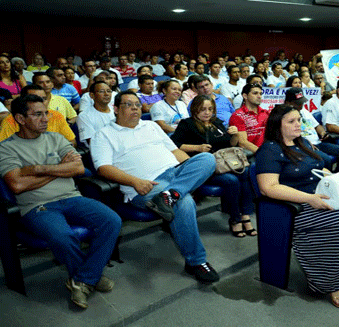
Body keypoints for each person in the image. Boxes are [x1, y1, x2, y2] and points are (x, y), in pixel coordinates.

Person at [256, 104, 339, 310]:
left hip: (320, 196)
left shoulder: (303, 142)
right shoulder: (269, 150)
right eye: (291, 121)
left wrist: (337, 179)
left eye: (299, 119)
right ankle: (336, 283)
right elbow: (268, 188)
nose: (298, 124)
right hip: (296, 207)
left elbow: (319, 167)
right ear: (277, 126)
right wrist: (309, 198)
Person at [0, 94, 121, 309]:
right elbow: (17, 185)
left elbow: (77, 168)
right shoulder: (6, 148)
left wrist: (38, 169)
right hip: (38, 207)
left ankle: (83, 278)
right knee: (63, 237)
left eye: (46, 113)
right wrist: (59, 170)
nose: (46, 118)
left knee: (112, 220)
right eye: (38, 114)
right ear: (19, 118)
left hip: (71, 198)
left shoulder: (56, 138)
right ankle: (89, 277)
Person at [89, 91, 220, 283]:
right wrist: (134, 182)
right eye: (128, 104)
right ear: (116, 109)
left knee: (208, 159)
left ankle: (172, 194)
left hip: (174, 172)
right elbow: (103, 168)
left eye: (137, 104)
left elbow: (175, 151)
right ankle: (196, 261)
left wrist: (188, 171)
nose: (135, 108)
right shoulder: (103, 134)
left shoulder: (150, 126)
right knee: (183, 203)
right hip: (146, 184)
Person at [170, 95, 256, 237]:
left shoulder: (216, 123)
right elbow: (174, 145)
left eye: (210, 109)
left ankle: (245, 215)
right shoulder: (186, 124)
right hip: (203, 169)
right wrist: (197, 148)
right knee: (231, 180)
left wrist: (234, 135)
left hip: (224, 164)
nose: (207, 112)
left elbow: (230, 144)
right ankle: (235, 219)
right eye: (203, 109)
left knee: (245, 171)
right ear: (195, 109)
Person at [0, 85, 76, 145]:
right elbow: (4, 147)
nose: (41, 103)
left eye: (44, 98)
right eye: (35, 99)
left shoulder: (56, 115)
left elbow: (72, 141)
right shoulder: (10, 120)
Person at [228, 83, 269, 154]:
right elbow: (243, 143)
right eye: (255, 93)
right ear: (245, 96)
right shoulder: (238, 115)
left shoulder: (266, 113)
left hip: (269, 149)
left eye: (260, 94)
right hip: (252, 154)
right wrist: (263, 154)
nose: (259, 96)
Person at [77, 81, 115, 146]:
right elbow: (93, 143)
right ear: (92, 95)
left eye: (109, 91)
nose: (106, 94)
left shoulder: (117, 111)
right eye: (101, 91)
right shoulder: (84, 116)